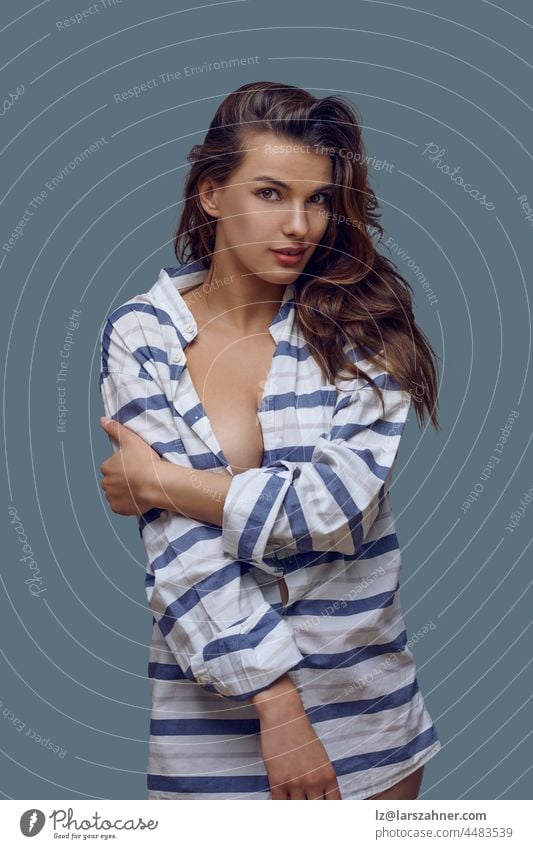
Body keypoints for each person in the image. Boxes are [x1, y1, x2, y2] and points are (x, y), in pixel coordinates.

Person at [98, 81, 442, 800]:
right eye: (269, 193)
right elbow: (180, 552)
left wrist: (161, 483)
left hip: (367, 719)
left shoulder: (361, 326)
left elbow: (332, 510)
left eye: (317, 199)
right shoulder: (144, 332)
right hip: (210, 723)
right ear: (211, 194)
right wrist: (277, 706)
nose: (299, 225)